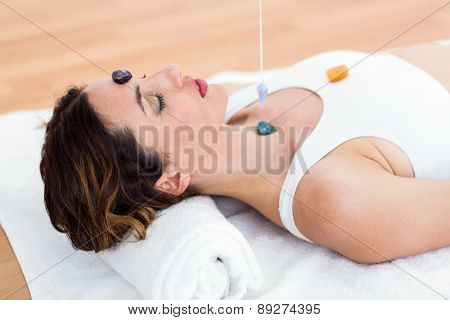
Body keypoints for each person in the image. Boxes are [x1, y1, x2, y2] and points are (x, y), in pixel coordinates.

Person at [39, 42, 450, 264]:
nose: (172, 71)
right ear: (172, 177)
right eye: (157, 101)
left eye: (146, 80)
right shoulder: (333, 200)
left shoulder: (229, 103)